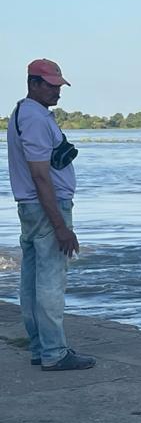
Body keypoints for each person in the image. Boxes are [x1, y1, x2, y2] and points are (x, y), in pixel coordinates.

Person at [6, 59, 95, 371]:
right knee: (50, 283)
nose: (58, 91)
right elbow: (41, 176)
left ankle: (40, 348)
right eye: (51, 85)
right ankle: (54, 352)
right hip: (47, 207)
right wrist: (61, 226)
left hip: (31, 208)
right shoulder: (35, 118)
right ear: (34, 84)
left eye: (59, 85)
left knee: (31, 281)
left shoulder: (22, 113)